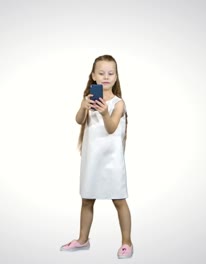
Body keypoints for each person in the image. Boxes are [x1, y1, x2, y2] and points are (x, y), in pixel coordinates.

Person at [60, 55, 133, 259]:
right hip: (92, 159)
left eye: (110, 73)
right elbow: (79, 120)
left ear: (116, 77)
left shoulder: (119, 103)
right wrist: (84, 106)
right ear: (93, 76)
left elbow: (110, 128)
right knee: (87, 200)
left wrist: (103, 112)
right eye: (101, 73)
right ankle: (83, 239)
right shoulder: (90, 98)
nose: (106, 77)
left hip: (112, 160)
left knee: (119, 200)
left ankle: (127, 241)